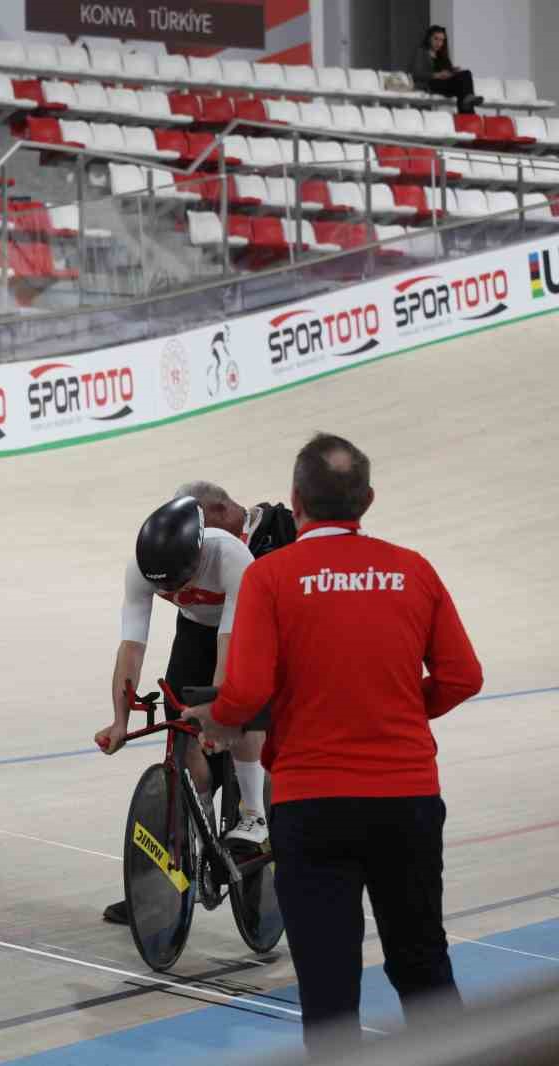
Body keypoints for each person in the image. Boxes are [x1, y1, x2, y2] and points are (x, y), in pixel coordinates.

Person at [183, 433, 482, 1054]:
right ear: (367, 501)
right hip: (405, 800)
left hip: (313, 803)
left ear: (294, 502)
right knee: (423, 964)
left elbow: (245, 693)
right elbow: (462, 677)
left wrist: (217, 718)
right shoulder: (413, 570)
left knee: (328, 988)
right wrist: (398, 708)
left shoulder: (270, 577)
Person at [95, 490, 270, 925]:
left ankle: (254, 814)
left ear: (198, 554)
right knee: (182, 731)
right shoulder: (141, 569)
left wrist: (221, 716)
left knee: (241, 707)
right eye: (167, 588)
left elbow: (229, 653)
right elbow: (131, 647)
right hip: (194, 631)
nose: (177, 591)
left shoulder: (231, 558)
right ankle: (201, 840)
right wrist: (120, 720)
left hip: (244, 627)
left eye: (182, 581)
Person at [413, 24, 482, 114]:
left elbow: (447, 71)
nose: (439, 43)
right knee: (463, 87)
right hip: (432, 84)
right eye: (436, 39)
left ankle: (467, 106)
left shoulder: (442, 55)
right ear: (429, 38)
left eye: (441, 40)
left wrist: (453, 71)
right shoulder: (421, 52)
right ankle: (469, 111)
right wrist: (437, 75)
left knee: (466, 74)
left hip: (446, 83)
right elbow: (417, 74)